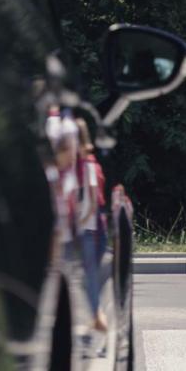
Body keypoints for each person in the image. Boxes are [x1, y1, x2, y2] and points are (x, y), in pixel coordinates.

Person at [75, 118, 109, 337]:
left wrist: (77, 223)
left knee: (88, 279)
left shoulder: (86, 166)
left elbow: (93, 201)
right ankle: (97, 320)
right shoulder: (85, 164)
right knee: (88, 279)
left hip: (88, 230)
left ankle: (98, 322)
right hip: (89, 229)